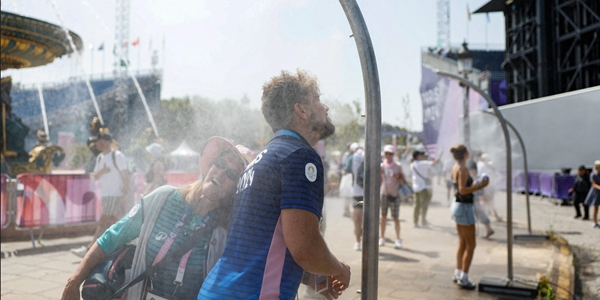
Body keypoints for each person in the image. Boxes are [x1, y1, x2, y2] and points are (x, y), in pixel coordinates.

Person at [199, 70, 351, 300]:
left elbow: (260, 248)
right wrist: (339, 271)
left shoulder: (262, 160)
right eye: (318, 99)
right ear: (301, 110)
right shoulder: (299, 155)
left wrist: (312, 277)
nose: (326, 107)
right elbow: (304, 248)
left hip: (218, 290)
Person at [62, 136, 252, 300]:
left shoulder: (228, 232)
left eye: (232, 173)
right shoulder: (163, 198)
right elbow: (111, 238)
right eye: (219, 163)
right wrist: (74, 280)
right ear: (210, 165)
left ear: (237, 187)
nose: (220, 173)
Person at [71, 132, 130, 258]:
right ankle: (128, 246)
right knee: (116, 221)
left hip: (115, 194)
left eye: (97, 141)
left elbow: (126, 176)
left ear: (104, 142)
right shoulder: (99, 158)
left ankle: (89, 249)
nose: (95, 144)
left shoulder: (117, 155)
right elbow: (96, 177)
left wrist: (125, 195)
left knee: (104, 221)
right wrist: (102, 171)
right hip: (106, 195)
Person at [449, 144, 489, 290]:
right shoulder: (463, 168)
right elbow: (463, 190)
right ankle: (464, 278)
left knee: (462, 243)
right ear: (466, 153)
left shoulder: (455, 167)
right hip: (464, 207)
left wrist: (475, 183)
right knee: (471, 245)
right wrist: (480, 186)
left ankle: (458, 272)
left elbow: (460, 187)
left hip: (457, 206)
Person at [379, 144, 404, 249]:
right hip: (384, 193)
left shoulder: (398, 166)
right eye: (386, 153)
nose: (388, 156)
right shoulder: (381, 166)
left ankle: (398, 239)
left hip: (394, 195)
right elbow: (379, 181)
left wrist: (397, 176)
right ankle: (382, 237)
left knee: (395, 218)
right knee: (383, 217)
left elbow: (402, 181)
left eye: (390, 154)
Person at [410, 149, 441, 228]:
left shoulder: (412, 165)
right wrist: (440, 155)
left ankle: (415, 222)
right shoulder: (421, 164)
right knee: (424, 205)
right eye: (420, 155)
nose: (422, 156)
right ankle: (423, 222)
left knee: (416, 205)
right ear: (418, 156)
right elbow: (434, 163)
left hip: (415, 187)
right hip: (422, 187)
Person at [468, 161, 494, 238]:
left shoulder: (477, 180)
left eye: (473, 171)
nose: (472, 172)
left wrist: (482, 201)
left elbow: (481, 192)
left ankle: (489, 229)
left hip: (476, 201)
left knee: (480, 215)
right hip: (472, 201)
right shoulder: (471, 179)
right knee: (472, 217)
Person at [476, 152, 501, 221]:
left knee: (487, 201)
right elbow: (483, 177)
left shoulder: (480, 165)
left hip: (482, 185)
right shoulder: (482, 166)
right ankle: (483, 216)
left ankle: (488, 215)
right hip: (484, 186)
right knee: (484, 201)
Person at [351, 146, 365, 251]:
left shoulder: (352, 157)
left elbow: (345, 170)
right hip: (370, 193)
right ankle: (365, 242)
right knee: (368, 219)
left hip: (356, 192)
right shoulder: (371, 155)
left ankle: (357, 242)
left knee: (357, 218)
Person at [339, 142, 358, 217]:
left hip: (349, 177)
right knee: (348, 195)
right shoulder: (347, 155)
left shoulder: (351, 156)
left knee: (348, 195)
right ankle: (347, 210)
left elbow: (345, 169)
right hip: (350, 177)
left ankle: (349, 210)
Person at [584, 160, 600, 229]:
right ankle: (595, 222)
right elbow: (594, 184)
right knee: (596, 207)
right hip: (596, 192)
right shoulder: (593, 174)